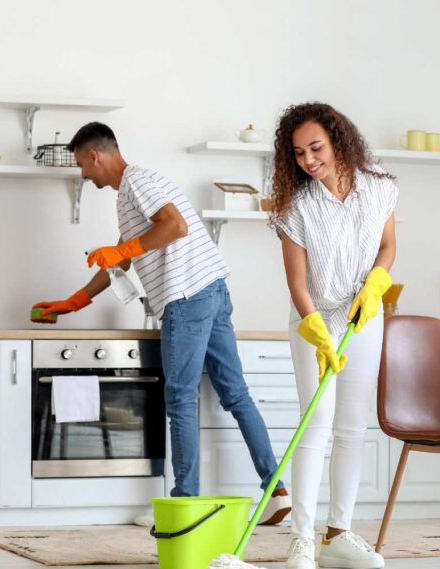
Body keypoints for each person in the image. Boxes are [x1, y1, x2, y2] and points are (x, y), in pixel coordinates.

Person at [32, 122, 290, 525]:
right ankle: (275, 490)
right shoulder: (135, 191)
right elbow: (122, 259)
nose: (83, 174)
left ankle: (184, 507)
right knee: (236, 395)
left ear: (95, 155)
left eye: (82, 164)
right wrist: (75, 300)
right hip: (213, 290)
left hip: (186, 299)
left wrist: (122, 248)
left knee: (180, 400)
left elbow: (175, 227)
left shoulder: (137, 180)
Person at [270, 102, 395, 569]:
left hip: (364, 317)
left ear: (338, 141)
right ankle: (300, 538)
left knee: (351, 429)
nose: (308, 160)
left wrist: (378, 281)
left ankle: (338, 533)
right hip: (315, 320)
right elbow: (298, 285)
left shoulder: (379, 186)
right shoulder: (295, 206)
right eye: (298, 152)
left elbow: (387, 246)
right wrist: (316, 330)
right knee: (315, 423)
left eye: (315, 147)